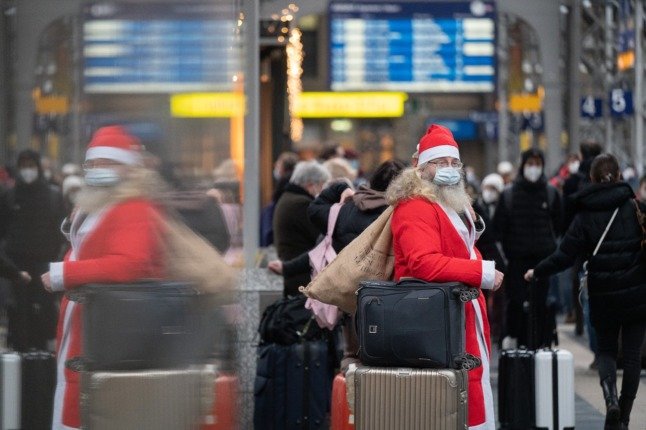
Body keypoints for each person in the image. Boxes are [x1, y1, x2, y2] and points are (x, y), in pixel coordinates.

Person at [40, 126, 166, 430]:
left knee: (90, 405)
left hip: (109, 323)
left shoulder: (134, 207)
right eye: (93, 164)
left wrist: (64, 274)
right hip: (91, 319)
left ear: (128, 167)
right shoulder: (102, 202)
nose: (97, 170)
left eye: (107, 163)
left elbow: (130, 264)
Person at [385, 124, 503, 430]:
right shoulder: (414, 206)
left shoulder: (442, 201)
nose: (449, 170)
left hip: (453, 314)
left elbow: (458, 248)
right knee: (452, 398)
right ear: (421, 167)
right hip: (436, 319)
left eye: (454, 163)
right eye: (440, 163)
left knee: (469, 388)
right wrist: (482, 273)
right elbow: (423, 263)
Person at [525, 154, 646, 430]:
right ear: (619, 177)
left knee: (605, 350)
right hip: (638, 295)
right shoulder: (636, 208)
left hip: (604, 295)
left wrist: (538, 271)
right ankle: (624, 417)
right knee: (631, 357)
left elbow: (564, 256)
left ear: (591, 178)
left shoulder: (584, 216)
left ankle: (610, 399)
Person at [493, 148, 562, 350]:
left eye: (537, 164)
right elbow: (499, 228)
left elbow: (559, 224)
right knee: (516, 303)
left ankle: (542, 342)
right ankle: (517, 340)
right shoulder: (510, 195)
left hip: (544, 262)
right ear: (523, 166)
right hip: (517, 262)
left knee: (543, 305)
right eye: (530, 164)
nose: (534, 168)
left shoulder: (550, 194)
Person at [0, 149, 65, 352]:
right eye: (23, 166)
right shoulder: (10, 196)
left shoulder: (53, 196)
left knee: (45, 313)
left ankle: (44, 358)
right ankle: (21, 357)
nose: (27, 171)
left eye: (31, 166)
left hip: (45, 266)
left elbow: (61, 233)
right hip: (16, 269)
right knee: (18, 314)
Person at [272, 160, 330, 296]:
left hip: (294, 273)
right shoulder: (302, 204)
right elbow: (321, 237)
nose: (324, 190)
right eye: (322, 185)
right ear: (311, 184)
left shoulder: (288, 198)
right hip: (301, 277)